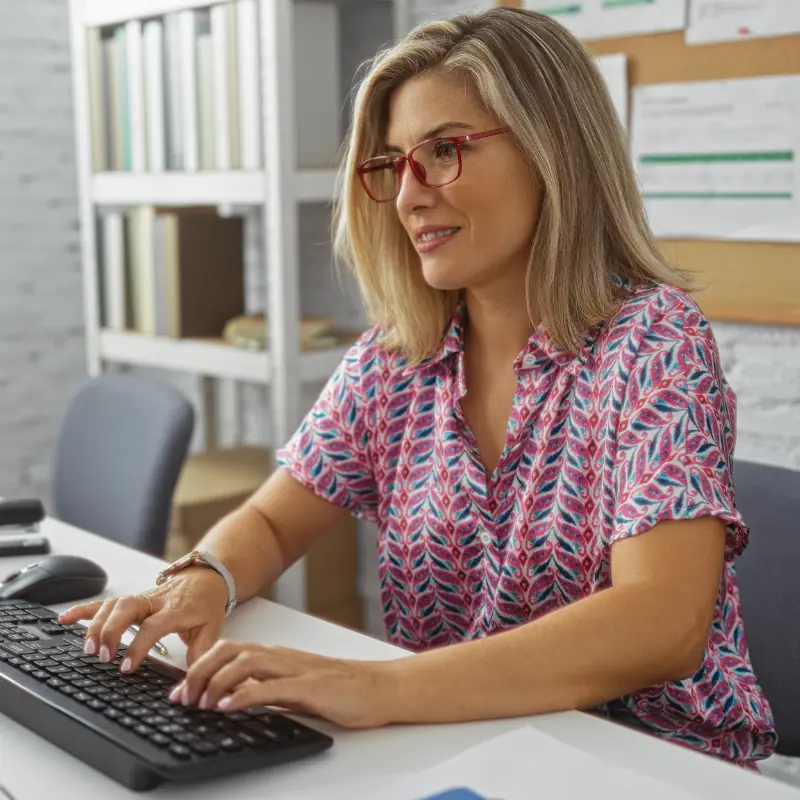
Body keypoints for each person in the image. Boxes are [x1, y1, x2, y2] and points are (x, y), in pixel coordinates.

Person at [60, 7, 776, 767]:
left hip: (649, 764)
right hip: (464, 746)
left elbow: (662, 622)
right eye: (395, 165)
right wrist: (203, 580)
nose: (408, 196)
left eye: (443, 151)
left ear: (552, 150)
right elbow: (271, 522)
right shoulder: (397, 359)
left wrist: (374, 687)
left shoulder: (654, 341)